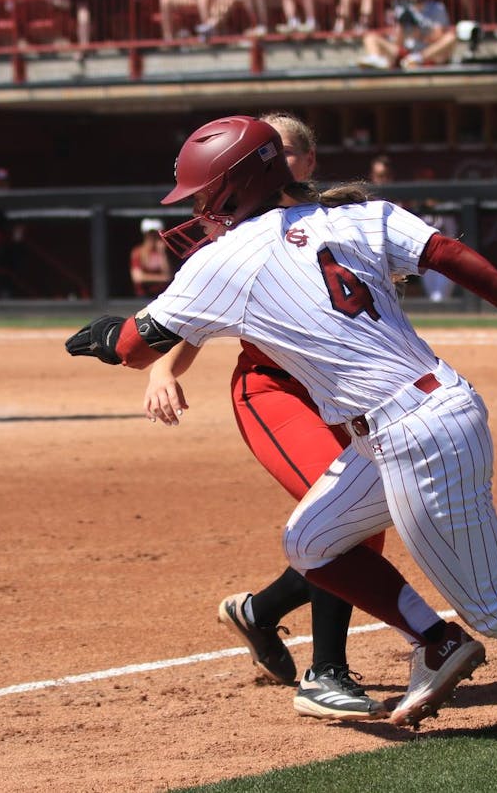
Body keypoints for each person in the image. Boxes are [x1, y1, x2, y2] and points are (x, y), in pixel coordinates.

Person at [67, 115, 497, 745]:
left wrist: (102, 335)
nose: (199, 208)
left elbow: (135, 347)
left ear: (235, 187)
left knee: (496, 607)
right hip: (422, 412)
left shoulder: (225, 258)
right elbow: (445, 253)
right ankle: (435, 640)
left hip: (414, 434)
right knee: (311, 540)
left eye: (204, 194)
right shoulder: (354, 213)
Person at [144, 112, 440, 721]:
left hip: (351, 390)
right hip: (275, 389)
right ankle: (326, 672)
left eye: (274, 150)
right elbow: (192, 320)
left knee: (351, 521)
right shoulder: (241, 236)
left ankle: (259, 613)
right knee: (344, 517)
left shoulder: (336, 219)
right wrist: (162, 369)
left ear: (301, 162)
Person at [358, 0, 456, 70]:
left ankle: (418, 58)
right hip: (405, 54)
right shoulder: (401, 9)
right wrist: (402, 26)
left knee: (451, 38)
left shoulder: (437, 8)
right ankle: (376, 59)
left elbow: (438, 35)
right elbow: (397, 43)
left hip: (428, 53)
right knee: (370, 37)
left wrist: (417, 31)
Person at [131, 217, 175, 297]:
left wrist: (162, 253)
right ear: (145, 235)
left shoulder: (164, 251)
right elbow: (138, 277)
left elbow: (169, 276)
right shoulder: (137, 252)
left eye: (155, 234)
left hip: (162, 296)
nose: (152, 237)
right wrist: (162, 278)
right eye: (150, 234)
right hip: (143, 297)